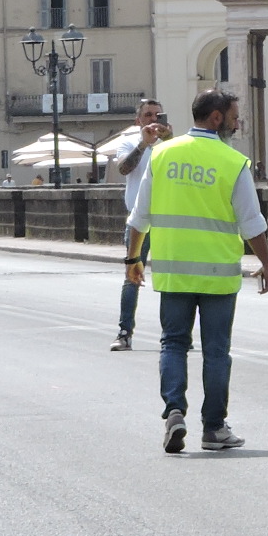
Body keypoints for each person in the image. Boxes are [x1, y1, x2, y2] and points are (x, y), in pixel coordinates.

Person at [128, 90, 268, 453]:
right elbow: (251, 223)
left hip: (173, 270)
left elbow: (139, 215)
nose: (238, 121)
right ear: (217, 118)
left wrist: (133, 260)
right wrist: (267, 263)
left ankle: (175, 410)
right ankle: (214, 427)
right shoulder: (233, 161)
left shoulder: (161, 154)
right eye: (235, 115)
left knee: (173, 344)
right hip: (218, 273)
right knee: (216, 351)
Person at [110, 99, 169, 350]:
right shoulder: (128, 142)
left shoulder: (171, 145)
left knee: (171, 279)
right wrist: (144, 143)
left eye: (157, 115)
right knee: (132, 275)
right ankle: (125, 332)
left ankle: (175, 334)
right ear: (138, 120)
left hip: (168, 220)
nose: (153, 119)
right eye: (148, 115)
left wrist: (168, 138)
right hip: (137, 221)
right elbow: (124, 168)